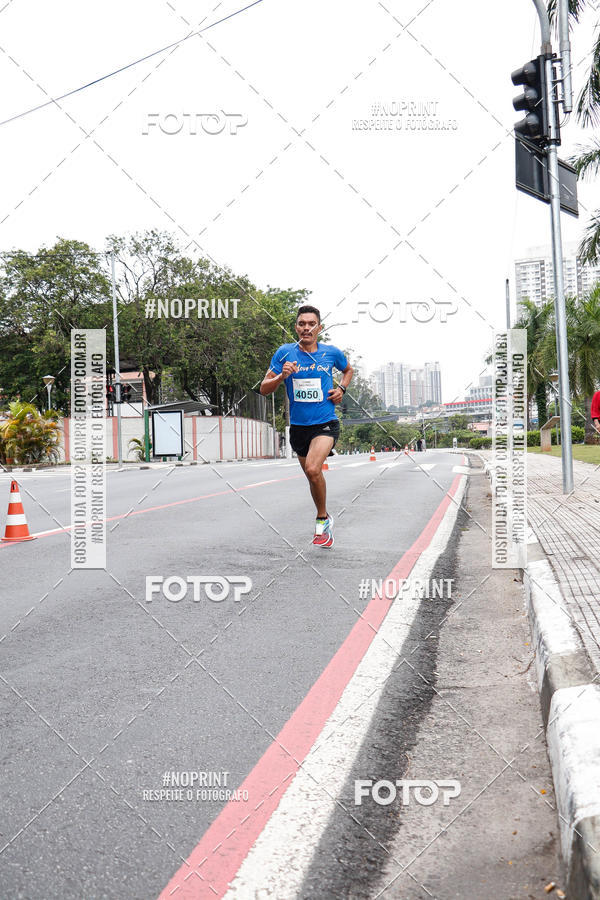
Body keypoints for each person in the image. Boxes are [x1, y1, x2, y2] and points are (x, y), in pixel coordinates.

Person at [260, 305, 353, 548]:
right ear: (296, 328)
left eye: (311, 324)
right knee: (312, 477)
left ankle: (322, 521)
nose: (306, 328)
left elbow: (348, 370)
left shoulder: (331, 353)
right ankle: (324, 514)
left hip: (325, 423)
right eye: (302, 323)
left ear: (319, 328)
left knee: (313, 469)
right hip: (298, 428)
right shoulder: (284, 353)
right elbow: (263, 388)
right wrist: (282, 377)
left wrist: (341, 389)